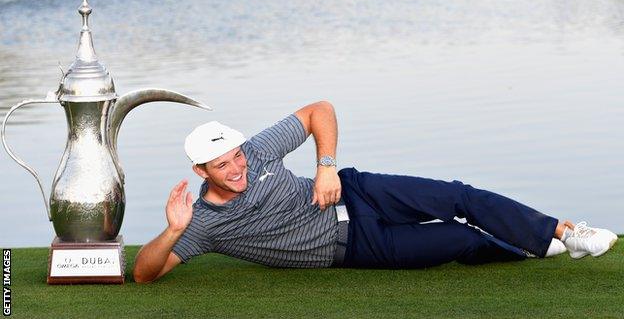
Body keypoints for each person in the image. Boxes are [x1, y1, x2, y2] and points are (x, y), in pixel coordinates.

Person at [133, 101, 618, 283]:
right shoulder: (204, 225)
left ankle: (565, 231)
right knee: (458, 239)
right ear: (201, 171)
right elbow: (145, 274)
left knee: (457, 196)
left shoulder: (256, 151)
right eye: (223, 164)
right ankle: (525, 247)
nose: (237, 167)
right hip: (354, 248)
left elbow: (318, 110)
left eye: (237, 156)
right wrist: (173, 231)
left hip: (359, 193)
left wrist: (326, 167)